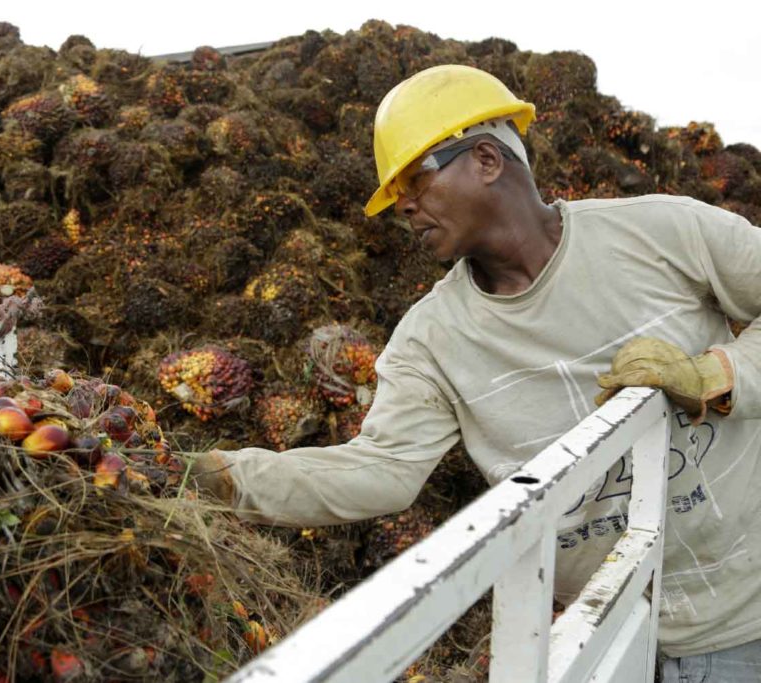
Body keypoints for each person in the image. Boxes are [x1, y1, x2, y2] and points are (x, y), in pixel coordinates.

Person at [191, 64, 761, 680]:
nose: (404, 205)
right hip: (603, 639)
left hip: (743, 618)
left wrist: (719, 373)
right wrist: (220, 479)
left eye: (415, 178)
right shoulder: (430, 340)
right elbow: (380, 472)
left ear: (486, 158)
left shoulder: (663, 231)